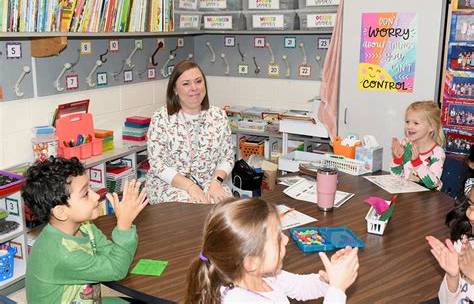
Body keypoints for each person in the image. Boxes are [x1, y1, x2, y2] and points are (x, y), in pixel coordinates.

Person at [23, 157, 148, 303]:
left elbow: (111, 255)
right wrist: (124, 225)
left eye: (90, 189)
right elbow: (116, 270)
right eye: (85, 194)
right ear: (61, 212)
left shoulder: (84, 226)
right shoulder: (63, 253)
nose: (96, 196)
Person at [184, 198, 359, 303]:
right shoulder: (240, 301)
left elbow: (300, 287)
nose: (286, 239)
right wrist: (336, 290)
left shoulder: (261, 275)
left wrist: (330, 280)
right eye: (277, 238)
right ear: (251, 262)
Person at [146, 60, 234, 204]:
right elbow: (158, 164)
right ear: (174, 89)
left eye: (198, 81)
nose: (194, 88)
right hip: (170, 185)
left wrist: (216, 182)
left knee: (225, 207)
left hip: (210, 182)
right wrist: (191, 187)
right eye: (186, 84)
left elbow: (227, 157)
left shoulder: (218, 116)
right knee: (191, 208)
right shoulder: (161, 118)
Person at [391, 101, 446, 190]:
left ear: (431, 127)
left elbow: (433, 184)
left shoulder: (437, 152)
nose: (409, 126)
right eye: (407, 122)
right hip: (406, 196)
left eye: (416, 123)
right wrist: (397, 159)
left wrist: (417, 162)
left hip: (427, 200)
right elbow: (394, 176)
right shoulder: (405, 144)